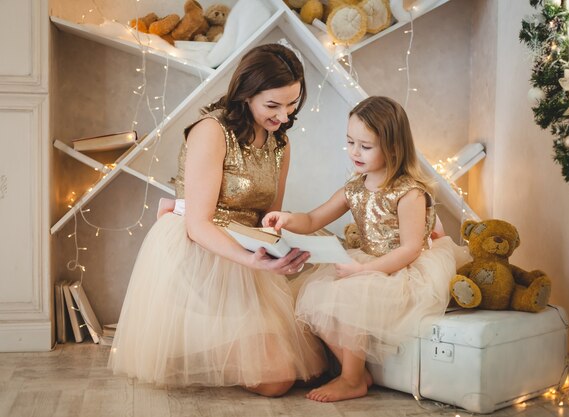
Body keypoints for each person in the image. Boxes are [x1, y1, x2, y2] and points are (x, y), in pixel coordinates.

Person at [108, 43, 327, 397]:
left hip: (249, 251)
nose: (284, 117)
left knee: (294, 372)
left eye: (292, 104)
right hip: (199, 252)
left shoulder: (280, 144)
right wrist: (250, 261)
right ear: (245, 94)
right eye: (273, 105)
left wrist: (281, 244)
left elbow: (268, 219)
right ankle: (186, 348)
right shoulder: (211, 131)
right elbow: (198, 225)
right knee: (277, 380)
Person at [262, 96, 470, 402]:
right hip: (369, 259)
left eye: (365, 146)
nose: (354, 152)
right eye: (350, 142)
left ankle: (351, 378)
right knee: (314, 295)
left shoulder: (408, 191)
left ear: (393, 147)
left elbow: (411, 249)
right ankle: (356, 372)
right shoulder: (355, 187)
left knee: (353, 293)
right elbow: (313, 219)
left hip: (402, 267)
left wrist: (364, 269)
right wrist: (288, 219)